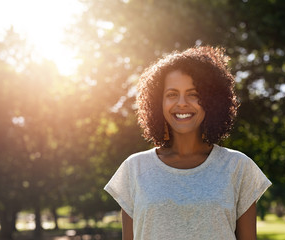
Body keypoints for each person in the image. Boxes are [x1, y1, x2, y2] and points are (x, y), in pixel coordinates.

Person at [104, 46, 271, 240]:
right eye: (172, 94)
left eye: (193, 94)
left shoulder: (238, 167)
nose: (182, 103)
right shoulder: (134, 168)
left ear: (211, 101)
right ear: (158, 102)